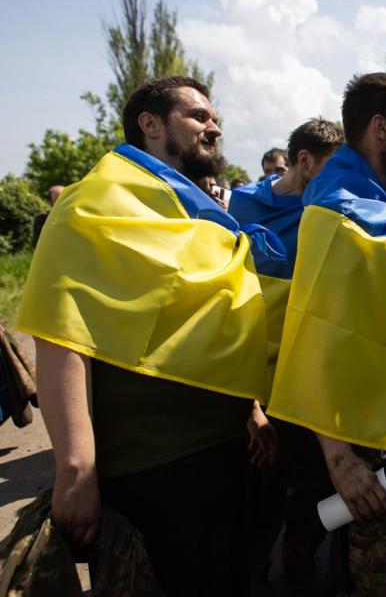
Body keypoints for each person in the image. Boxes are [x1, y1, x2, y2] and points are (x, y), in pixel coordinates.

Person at [16, 76, 283, 596]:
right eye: (199, 116)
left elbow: (209, 317)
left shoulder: (192, 209)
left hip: (224, 454)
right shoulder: (92, 204)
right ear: (151, 123)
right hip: (152, 469)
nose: (215, 126)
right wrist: (76, 469)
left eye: (214, 117)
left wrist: (248, 405)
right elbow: (62, 335)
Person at [266, 72, 386, 596]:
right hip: (371, 447)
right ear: (381, 128)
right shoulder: (337, 213)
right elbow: (312, 339)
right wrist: (339, 459)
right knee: (383, 579)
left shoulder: (384, 203)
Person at [229, 118, 344, 593]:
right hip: (258, 386)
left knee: (316, 491)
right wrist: (245, 399)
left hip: (311, 384)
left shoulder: (331, 212)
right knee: (259, 497)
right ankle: (250, 574)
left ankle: (300, 567)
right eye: (330, 170)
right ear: (303, 161)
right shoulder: (240, 206)